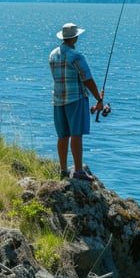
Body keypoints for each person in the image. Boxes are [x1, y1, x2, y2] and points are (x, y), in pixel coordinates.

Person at [49, 22, 104, 181]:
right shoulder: (76, 56)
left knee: (62, 135)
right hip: (76, 99)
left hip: (58, 100)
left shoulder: (53, 54)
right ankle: (79, 170)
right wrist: (99, 99)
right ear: (75, 38)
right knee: (76, 134)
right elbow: (88, 80)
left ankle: (63, 170)